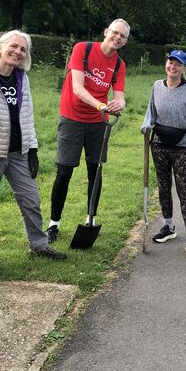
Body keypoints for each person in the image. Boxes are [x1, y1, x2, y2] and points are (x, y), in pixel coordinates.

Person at [0, 30, 67, 278]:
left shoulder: (21, 78)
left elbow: (26, 115)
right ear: (1, 47)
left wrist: (33, 148)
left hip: (18, 152)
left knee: (31, 198)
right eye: (14, 46)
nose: (17, 52)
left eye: (23, 49)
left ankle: (38, 245)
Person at [45, 19, 129, 242]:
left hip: (97, 124)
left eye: (122, 36)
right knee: (64, 172)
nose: (117, 37)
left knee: (96, 170)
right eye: (115, 32)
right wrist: (102, 105)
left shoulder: (119, 65)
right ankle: (54, 223)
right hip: (72, 119)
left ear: (125, 42)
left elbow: (120, 97)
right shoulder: (82, 49)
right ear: (106, 32)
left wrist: (119, 104)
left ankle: (90, 219)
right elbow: (77, 88)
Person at [141, 50, 186, 259]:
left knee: (184, 189)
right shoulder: (157, 86)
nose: (173, 67)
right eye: (171, 62)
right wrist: (146, 125)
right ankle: (168, 226)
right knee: (163, 186)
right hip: (159, 144)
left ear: (184, 69)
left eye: (178, 64)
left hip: (183, 146)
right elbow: (151, 112)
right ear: (166, 64)